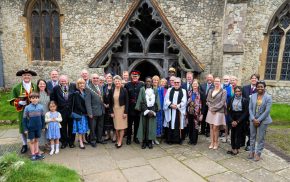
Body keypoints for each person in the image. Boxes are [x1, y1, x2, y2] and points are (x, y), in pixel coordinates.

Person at [10, 69, 37, 154]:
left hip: (34, 111)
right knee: (23, 128)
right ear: (22, 76)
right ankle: (24, 144)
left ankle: (34, 144)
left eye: (28, 75)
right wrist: (19, 102)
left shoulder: (35, 86)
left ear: (31, 76)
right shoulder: (16, 87)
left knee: (33, 126)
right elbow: (11, 101)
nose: (26, 77)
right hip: (23, 111)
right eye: (25, 75)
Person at [248, 80, 272, 161]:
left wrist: (258, 120)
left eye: (261, 86)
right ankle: (251, 151)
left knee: (261, 138)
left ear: (264, 87)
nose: (260, 88)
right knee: (252, 136)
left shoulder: (268, 97)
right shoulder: (253, 96)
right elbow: (250, 108)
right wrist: (253, 118)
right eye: (258, 87)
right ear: (256, 87)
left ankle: (258, 153)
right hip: (253, 119)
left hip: (263, 120)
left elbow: (267, 111)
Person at [50, 75, 76, 149]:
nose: (63, 82)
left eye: (64, 80)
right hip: (61, 111)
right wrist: (55, 110)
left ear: (68, 80)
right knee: (62, 127)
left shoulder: (73, 86)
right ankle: (64, 142)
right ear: (59, 81)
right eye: (61, 81)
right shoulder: (56, 88)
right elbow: (53, 99)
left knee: (71, 127)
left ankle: (71, 142)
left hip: (71, 110)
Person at [136, 77, 160, 149]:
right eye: (147, 81)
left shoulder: (155, 90)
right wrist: (146, 110)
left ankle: (149, 142)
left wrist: (152, 111)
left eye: (150, 81)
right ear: (145, 82)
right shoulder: (142, 90)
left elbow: (157, 101)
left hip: (152, 111)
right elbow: (140, 100)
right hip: (144, 111)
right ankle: (144, 142)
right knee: (144, 126)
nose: (148, 83)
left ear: (152, 82)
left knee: (151, 127)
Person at [164, 77, 187, 145]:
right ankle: (170, 140)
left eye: (178, 82)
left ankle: (178, 140)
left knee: (178, 124)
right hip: (171, 110)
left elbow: (184, 101)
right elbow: (166, 99)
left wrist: (177, 106)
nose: (176, 84)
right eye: (175, 82)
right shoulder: (169, 90)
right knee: (170, 124)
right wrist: (171, 105)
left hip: (178, 111)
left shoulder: (183, 91)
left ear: (180, 83)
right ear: (173, 83)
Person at [22, 92, 45, 160]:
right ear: (30, 99)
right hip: (30, 128)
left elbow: (42, 118)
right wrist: (25, 129)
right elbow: (24, 119)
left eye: (36, 98)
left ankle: (37, 152)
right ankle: (33, 154)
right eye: (33, 98)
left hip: (38, 127)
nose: (35, 99)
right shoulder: (27, 107)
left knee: (37, 140)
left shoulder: (41, 107)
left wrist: (43, 126)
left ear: (38, 99)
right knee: (32, 141)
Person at [226, 86, 249, 155]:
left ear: (241, 92)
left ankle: (237, 148)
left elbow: (246, 112)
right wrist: (231, 120)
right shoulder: (231, 99)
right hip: (233, 117)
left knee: (238, 134)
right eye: (236, 91)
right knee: (232, 134)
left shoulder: (245, 100)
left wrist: (238, 121)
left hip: (240, 119)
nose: (237, 93)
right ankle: (233, 147)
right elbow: (228, 110)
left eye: (239, 91)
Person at [85, 74, 106, 147]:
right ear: (91, 79)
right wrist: (89, 113)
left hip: (101, 110)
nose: (96, 79)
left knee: (100, 126)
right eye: (94, 78)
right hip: (93, 112)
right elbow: (87, 102)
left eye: (97, 78)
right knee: (93, 127)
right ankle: (93, 140)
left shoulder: (100, 87)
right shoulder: (88, 88)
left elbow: (101, 99)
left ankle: (99, 139)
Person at [206, 77, 227, 150]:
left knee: (216, 127)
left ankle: (216, 142)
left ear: (220, 82)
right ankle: (211, 142)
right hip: (210, 110)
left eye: (218, 81)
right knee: (211, 127)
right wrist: (210, 107)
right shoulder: (211, 90)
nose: (216, 83)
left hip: (218, 111)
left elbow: (222, 102)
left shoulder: (223, 91)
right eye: (215, 81)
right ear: (213, 82)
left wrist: (214, 108)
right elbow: (207, 100)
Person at [124, 70, 144, 145]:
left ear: (138, 77)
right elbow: (126, 98)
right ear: (131, 76)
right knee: (129, 125)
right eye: (133, 76)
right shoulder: (127, 85)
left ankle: (135, 138)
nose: (135, 77)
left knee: (137, 124)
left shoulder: (142, 85)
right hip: (130, 108)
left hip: (138, 108)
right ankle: (128, 138)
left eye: (136, 76)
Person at [109, 75, 128, 148]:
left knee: (122, 127)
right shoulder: (112, 90)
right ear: (114, 82)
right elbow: (110, 102)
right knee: (116, 127)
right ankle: (118, 139)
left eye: (118, 81)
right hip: (115, 110)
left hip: (122, 110)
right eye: (116, 81)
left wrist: (125, 112)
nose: (117, 82)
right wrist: (111, 112)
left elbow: (127, 102)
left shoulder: (124, 90)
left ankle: (120, 141)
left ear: (120, 82)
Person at [242, 73, 260, 151]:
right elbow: (242, 98)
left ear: (258, 80)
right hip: (244, 111)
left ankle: (249, 144)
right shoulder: (245, 88)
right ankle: (241, 142)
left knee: (251, 129)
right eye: (252, 78)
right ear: (250, 79)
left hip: (254, 112)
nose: (254, 79)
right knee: (243, 127)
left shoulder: (260, 89)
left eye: (255, 78)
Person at [71, 78, 89, 149]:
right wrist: (86, 111)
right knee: (80, 129)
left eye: (83, 83)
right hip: (80, 113)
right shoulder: (76, 93)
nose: (82, 85)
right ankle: (80, 142)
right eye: (80, 83)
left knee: (84, 127)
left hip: (84, 113)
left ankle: (84, 139)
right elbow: (78, 105)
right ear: (78, 85)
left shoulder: (85, 91)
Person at [187, 80, 202, 145]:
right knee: (190, 125)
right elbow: (186, 102)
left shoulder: (200, 93)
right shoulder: (189, 92)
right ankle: (190, 139)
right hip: (190, 111)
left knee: (195, 126)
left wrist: (202, 114)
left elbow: (203, 104)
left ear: (198, 85)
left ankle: (194, 140)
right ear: (192, 85)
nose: (195, 85)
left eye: (196, 84)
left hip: (197, 112)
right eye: (194, 84)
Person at [36, 79, 50, 148]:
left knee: (47, 129)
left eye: (43, 84)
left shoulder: (48, 93)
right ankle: (40, 144)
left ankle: (47, 143)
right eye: (40, 84)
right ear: (38, 85)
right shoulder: (36, 94)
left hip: (48, 114)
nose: (42, 85)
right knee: (41, 130)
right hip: (39, 115)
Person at [103, 73, 116, 142]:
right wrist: (104, 104)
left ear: (112, 79)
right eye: (108, 78)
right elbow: (101, 96)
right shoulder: (104, 87)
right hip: (105, 107)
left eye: (110, 78)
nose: (109, 79)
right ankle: (108, 135)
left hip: (113, 107)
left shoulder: (115, 86)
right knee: (106, 121)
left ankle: (114, 135)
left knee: (113, 121)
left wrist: (110, 104)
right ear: (106, 79)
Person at [221, 75, 234, 143]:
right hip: (222, 107)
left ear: (229, 80)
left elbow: (233, 96)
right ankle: (225, 136)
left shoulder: (231, 87)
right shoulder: (221, 86)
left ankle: (229, 136)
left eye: (227, 79)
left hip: (230, 107)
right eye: (225, 79)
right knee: (224, 122)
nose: (226, 80)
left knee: (229, 121)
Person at [152, 75, 164, 144]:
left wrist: (161, 108)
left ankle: (156, 138)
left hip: (159, 109)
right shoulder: (150, 89)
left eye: (157, 80)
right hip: (152, 108)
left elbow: (163, 98)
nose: (155, 81)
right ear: (152, 81)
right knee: (152, 123)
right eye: (154, 80)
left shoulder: (161, 89)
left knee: (158, 123)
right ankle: (152, 138)